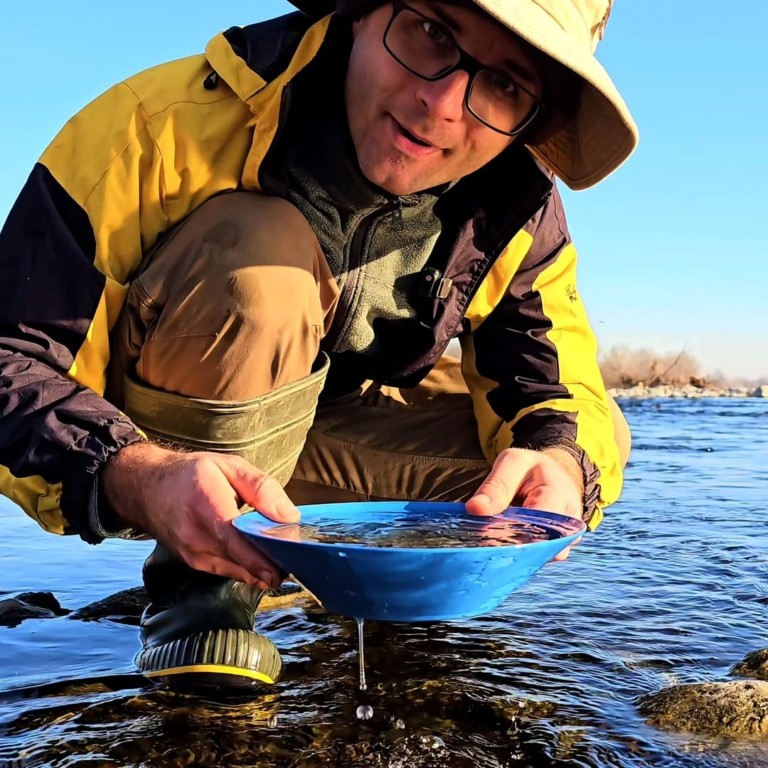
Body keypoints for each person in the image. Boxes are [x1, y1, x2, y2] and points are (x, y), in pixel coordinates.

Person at [0, 0, 637, 690]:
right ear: (361, 10)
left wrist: (562, 464)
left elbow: (553, 384)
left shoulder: (517, 205)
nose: (444, 104)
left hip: (324, 437)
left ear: (532, 117)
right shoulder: (157, 128)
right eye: (431, 32)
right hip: (159, 442)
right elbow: (12, 355)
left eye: (506, 85)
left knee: (567, 449)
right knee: (260, 259)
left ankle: (349, 585)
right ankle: (200, 592)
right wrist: (133, 473)